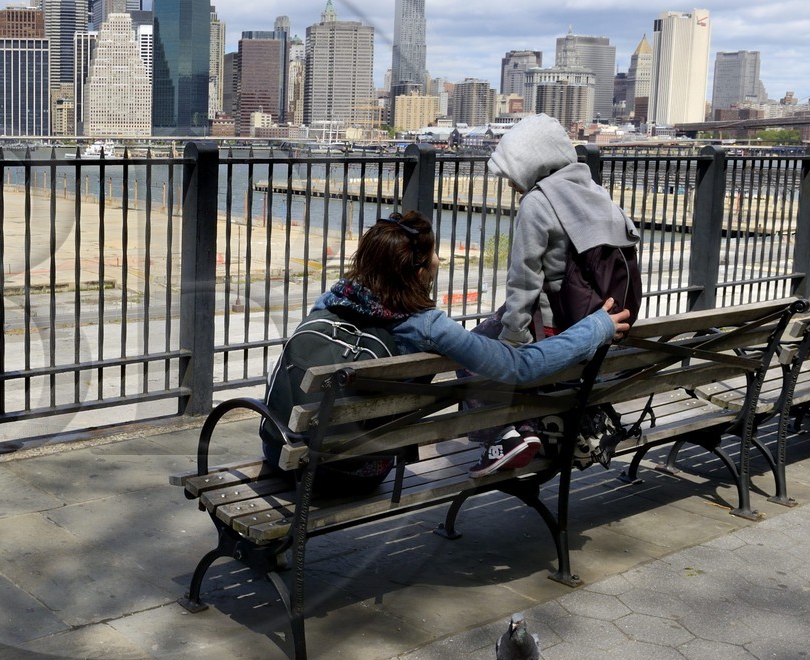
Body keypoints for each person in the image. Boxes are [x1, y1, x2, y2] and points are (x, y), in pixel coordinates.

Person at [261, 210, 631, 495]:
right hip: (351, 474)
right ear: (419, 272)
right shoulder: (425, 326)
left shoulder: (334, 298)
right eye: (435, 253)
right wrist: (595, 328)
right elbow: (520, 366)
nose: (439, 259)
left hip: (282, 455)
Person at [475, 113, 640, 470]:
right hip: (598, 327)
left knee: (476, 348)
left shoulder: (538, 202)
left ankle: (509, 435)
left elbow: (524, 280)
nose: (510, 185)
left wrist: (513, 336)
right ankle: (526, 427)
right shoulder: (594, 192)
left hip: (555, 331)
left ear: (532, 163)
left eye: (511, 174)